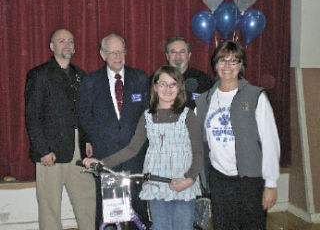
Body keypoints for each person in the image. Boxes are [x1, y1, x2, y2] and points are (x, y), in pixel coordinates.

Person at [83, 65, 203, 230]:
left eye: (173, 84)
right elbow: (132, 148)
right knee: (161, 227)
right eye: (163, 84)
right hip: (157, 185)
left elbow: (198, 151)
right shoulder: (147, 116)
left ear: (180, 87)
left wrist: (189, 179)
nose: (167, 89)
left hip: (184, 183)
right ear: (154, 87)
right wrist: (103, 163)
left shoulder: (188, 115)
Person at [195, 40, 280, 230]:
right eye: (222, 60)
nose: (227, 66)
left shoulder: (255, 96)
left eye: (234, 61)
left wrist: (271, 184)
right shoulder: (203, 101)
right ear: (215, 64)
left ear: (241, 65)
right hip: (218, 180)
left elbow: (270, 142)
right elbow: (197, 143)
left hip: (250, 180)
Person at [24, 29, 96, 230]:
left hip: (78, 148)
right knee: (49, 206)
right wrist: (42, 150)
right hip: (50, 150)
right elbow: (32, 116)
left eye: (70, 41)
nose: (67, 45)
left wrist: (87, 139)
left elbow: (84, 111)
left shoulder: (80, 75)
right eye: (61, 41)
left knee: (87, 200)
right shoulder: (39, 75)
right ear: (52, 47)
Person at [78, 33, 149, 229]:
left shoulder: (140, 78)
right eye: (112, 52)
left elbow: (147, 114)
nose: (117, 56)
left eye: (121, 51)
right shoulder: (91, 81)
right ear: (102, 54)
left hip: (135, 157)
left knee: (138, 210)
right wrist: (100, 139)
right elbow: (84, 116)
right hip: (105, 156)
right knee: (108, 214)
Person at [163, 36, 213, 109]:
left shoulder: (203, 80)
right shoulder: (157, 79)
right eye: (173, 52)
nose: (178, 56)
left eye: (182, 52)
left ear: (189, 55)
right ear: (167, 56)